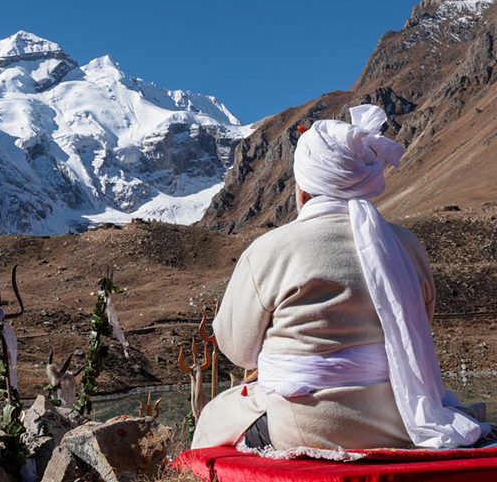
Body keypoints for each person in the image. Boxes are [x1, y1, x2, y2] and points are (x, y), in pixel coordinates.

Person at [192, 104, 491, 451]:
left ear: (301, 191)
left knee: (217, 416)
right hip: (402, 418)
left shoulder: (270, 250)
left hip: (307, 424)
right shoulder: (407, 246)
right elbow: (418, 325)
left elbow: (239, 350)